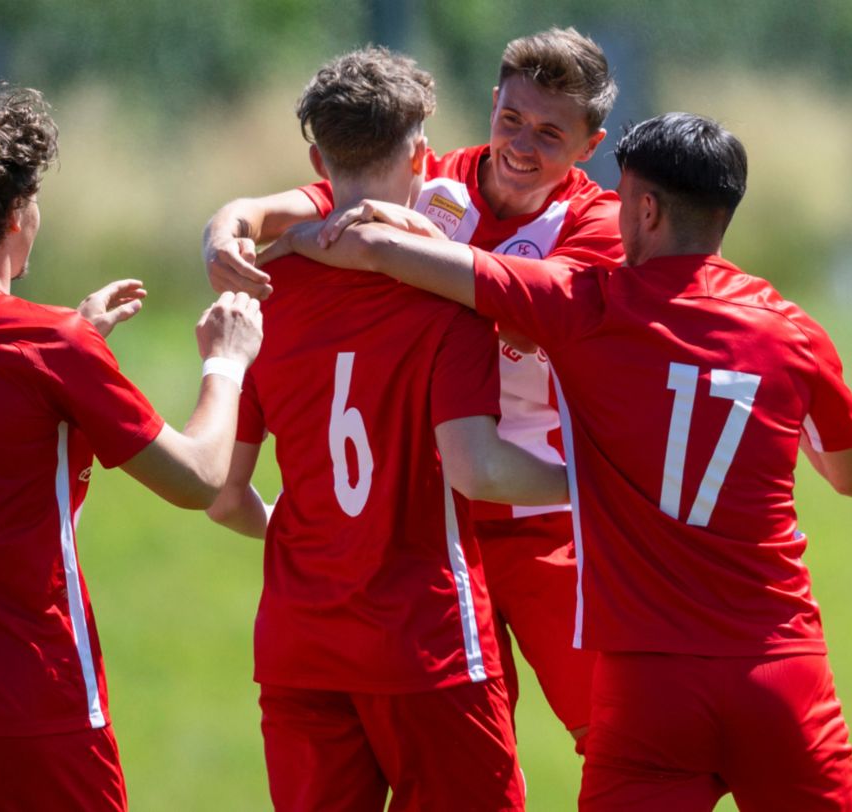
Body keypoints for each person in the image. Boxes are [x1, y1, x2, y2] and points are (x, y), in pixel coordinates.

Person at [272, 112, 852, 810]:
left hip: (647, 690)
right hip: (781, 672)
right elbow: (851, 478)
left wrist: (297, 239)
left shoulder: (584, 306)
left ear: (645, 210)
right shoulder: (792, 330)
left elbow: (380, 254)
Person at [0, 75, 262, 811]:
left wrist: (75, 339)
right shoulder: (47, 346)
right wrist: (226, 361)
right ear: (16, 214)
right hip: (30, 694)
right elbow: (198, 478)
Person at [205, 26, 619, 747]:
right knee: (468, 745)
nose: (522, 144)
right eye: (510, 119)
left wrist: (396, 243)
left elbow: (516, 304)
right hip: (433, 524)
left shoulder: (598, 224)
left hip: (541, 516)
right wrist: (227, 228)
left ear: (591, 146)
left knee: (613, 737)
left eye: (551, 134)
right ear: (492, 103)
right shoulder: (438, 180)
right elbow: (306, 200)